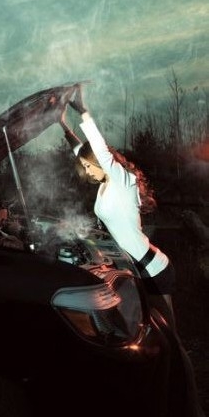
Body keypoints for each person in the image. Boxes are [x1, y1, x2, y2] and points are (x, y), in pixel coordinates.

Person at [60, 85, 206, 417]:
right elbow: (82, 150)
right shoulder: (104, 184)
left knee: (172, 343)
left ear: (100, 162)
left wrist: (83, 110)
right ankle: (163, 403)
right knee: (151, 342)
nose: (85, 170)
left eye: (88, 166)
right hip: (137, 273)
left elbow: (97, 149)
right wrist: (62, 124)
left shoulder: (121, 180)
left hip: (154, 270)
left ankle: (193, 407)